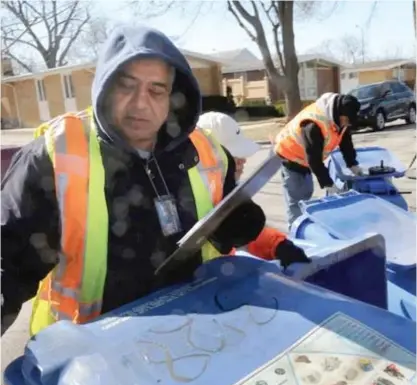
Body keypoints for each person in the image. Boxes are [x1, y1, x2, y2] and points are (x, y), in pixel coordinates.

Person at [1, 25, 268, 336]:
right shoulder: (55, 155)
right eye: (126, 86)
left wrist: (235, 226)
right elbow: (8, 259)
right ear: (104, 87)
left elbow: (220, 212)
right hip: (91, 353)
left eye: (156, 90)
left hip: (194, 331)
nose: (141, 104)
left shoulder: (204, 149)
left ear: (173, 97)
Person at [197, 111, 311, 268]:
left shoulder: (222, 189)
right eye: (234, 157)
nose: (243, 161)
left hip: (220, 276)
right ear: (209, 159)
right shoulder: (192, 197)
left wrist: (277, 245)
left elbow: (242, 231)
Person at [273, 92, 363, 228]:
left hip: (305, 159)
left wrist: (352, 164)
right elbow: (313, 159)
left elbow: (345, 142)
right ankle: (295, 232)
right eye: (346, 120)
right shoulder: (313, 124)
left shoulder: (339, 119)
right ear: (338, 113)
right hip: (291, 156)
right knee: (298, 199)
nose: (346, 124)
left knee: (307, 192)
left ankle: (303, 226)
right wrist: (328, 184)